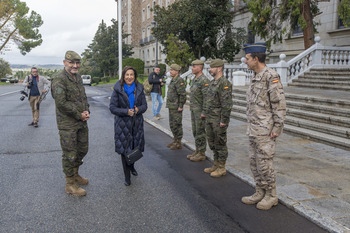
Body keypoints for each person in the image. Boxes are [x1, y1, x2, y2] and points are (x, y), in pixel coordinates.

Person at [241, 42, 286, 210]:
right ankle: (259, 191)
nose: (245, 61)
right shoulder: (254, 76)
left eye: (247, 58)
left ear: (256, 58)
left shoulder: (271, 76)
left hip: (265, 130)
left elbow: (279, 104)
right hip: (254, 128)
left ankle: (271, 195)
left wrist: (277, 127)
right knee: (254, 162)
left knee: (265, 163)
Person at [51, 51, 90, 196]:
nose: (75, 66)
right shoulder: (59, 79)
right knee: (70, 154)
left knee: (82, 149)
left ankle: (75, 175)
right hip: (67, 124)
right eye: (71, 63)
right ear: (64, 62)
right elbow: (61, 103)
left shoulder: (78, 78)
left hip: (81, 121)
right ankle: (70, 184)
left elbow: (82, 97)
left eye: (77, 63)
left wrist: (86, 111)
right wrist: (78, 113)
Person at [109, 66, 147, 186]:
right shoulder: (117, 89)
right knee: (125, 150)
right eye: (127, 75)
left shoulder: (139, 88)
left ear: (134, 76)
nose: (129, 77)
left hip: (136, 123)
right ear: (123, 76)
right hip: (122, 125)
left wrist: (138, 109)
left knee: (135, 147)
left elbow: (145, 106)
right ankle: (127, 176)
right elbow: (112, 108)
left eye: (131, 75)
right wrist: (126, 112)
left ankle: (132, 167)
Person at [202, 59, 232, 178]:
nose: (209, 70)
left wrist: (224, 120)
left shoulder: (224, 83)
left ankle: (222, 167)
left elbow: (227, 104)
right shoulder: (212, 82)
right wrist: (204, 112)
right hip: (210, 118)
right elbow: (208, 100)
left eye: (212, 68)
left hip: (218, 119)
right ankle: (215, 163)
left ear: (219, 68)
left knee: (220, 143)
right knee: (212, 142)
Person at [187, 60, 210, 162]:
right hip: (194, 110)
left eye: (194, 66)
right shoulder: (194, 79)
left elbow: (207, 98)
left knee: (200, 132)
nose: (192, 68)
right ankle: (197, 150)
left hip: (200, 111)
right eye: (192, 66)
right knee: (195, 131)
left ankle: (201, 153)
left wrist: (204, 112)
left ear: (200, 68)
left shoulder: (204, 80)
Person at [166, 64, 186, 150]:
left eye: (172, 70)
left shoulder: (179, 80)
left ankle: (178, 142)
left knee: (177, 124)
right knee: (172, 124)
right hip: (171, 106)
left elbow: (182, 94)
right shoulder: (173, 80)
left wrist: (180, 106)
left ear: (176, 71)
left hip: (176, 106)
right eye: (170, 70)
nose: (170, 71)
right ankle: (175, 140)